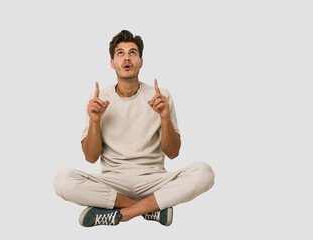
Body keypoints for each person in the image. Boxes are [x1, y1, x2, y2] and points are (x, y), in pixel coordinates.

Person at [53, 30, 215, 227]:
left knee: (205, 172)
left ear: (141, 61)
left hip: (154, 179)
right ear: (112, 63)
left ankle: (124, 214)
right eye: (120, 53)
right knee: (62, 180)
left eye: (133, 53)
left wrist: (164, 116)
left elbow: (173, 153)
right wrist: (94, 121)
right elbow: (90, 157)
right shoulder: (99, 99)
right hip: (113, 182)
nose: (127, 58)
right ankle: (149, 209)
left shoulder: (160, 96)